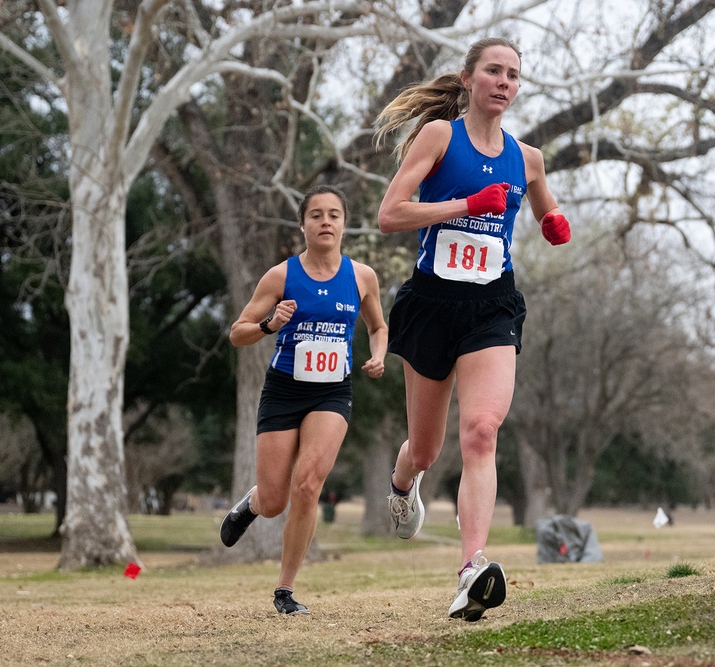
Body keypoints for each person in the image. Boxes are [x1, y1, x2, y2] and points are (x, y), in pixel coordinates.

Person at [373, 37, 572, 621]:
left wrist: (554, 222)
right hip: (433, 303)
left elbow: (543, 207)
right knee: (428, 448)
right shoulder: (440, 138)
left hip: (492, 304)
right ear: (468, 79)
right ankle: (402, 479)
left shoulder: (527, 157)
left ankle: (471, 568)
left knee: (482, 431)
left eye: (513, 74)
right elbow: (390, 215)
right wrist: (464, 205)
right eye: (493, 71)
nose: (503, 82)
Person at [220, 184, 388, 615]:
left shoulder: (362, 276)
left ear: (344, 224)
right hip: (284, 390)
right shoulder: (280, 276)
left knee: (308, 484)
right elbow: (238, 332)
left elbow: (377, 327)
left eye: (334, 214)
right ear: (303, 224)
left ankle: (285, 590)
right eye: (316, 215)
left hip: (332, 392)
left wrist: (379, 355)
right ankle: (253, 502)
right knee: (276, 500)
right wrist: (269, 325)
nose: (326, 222)